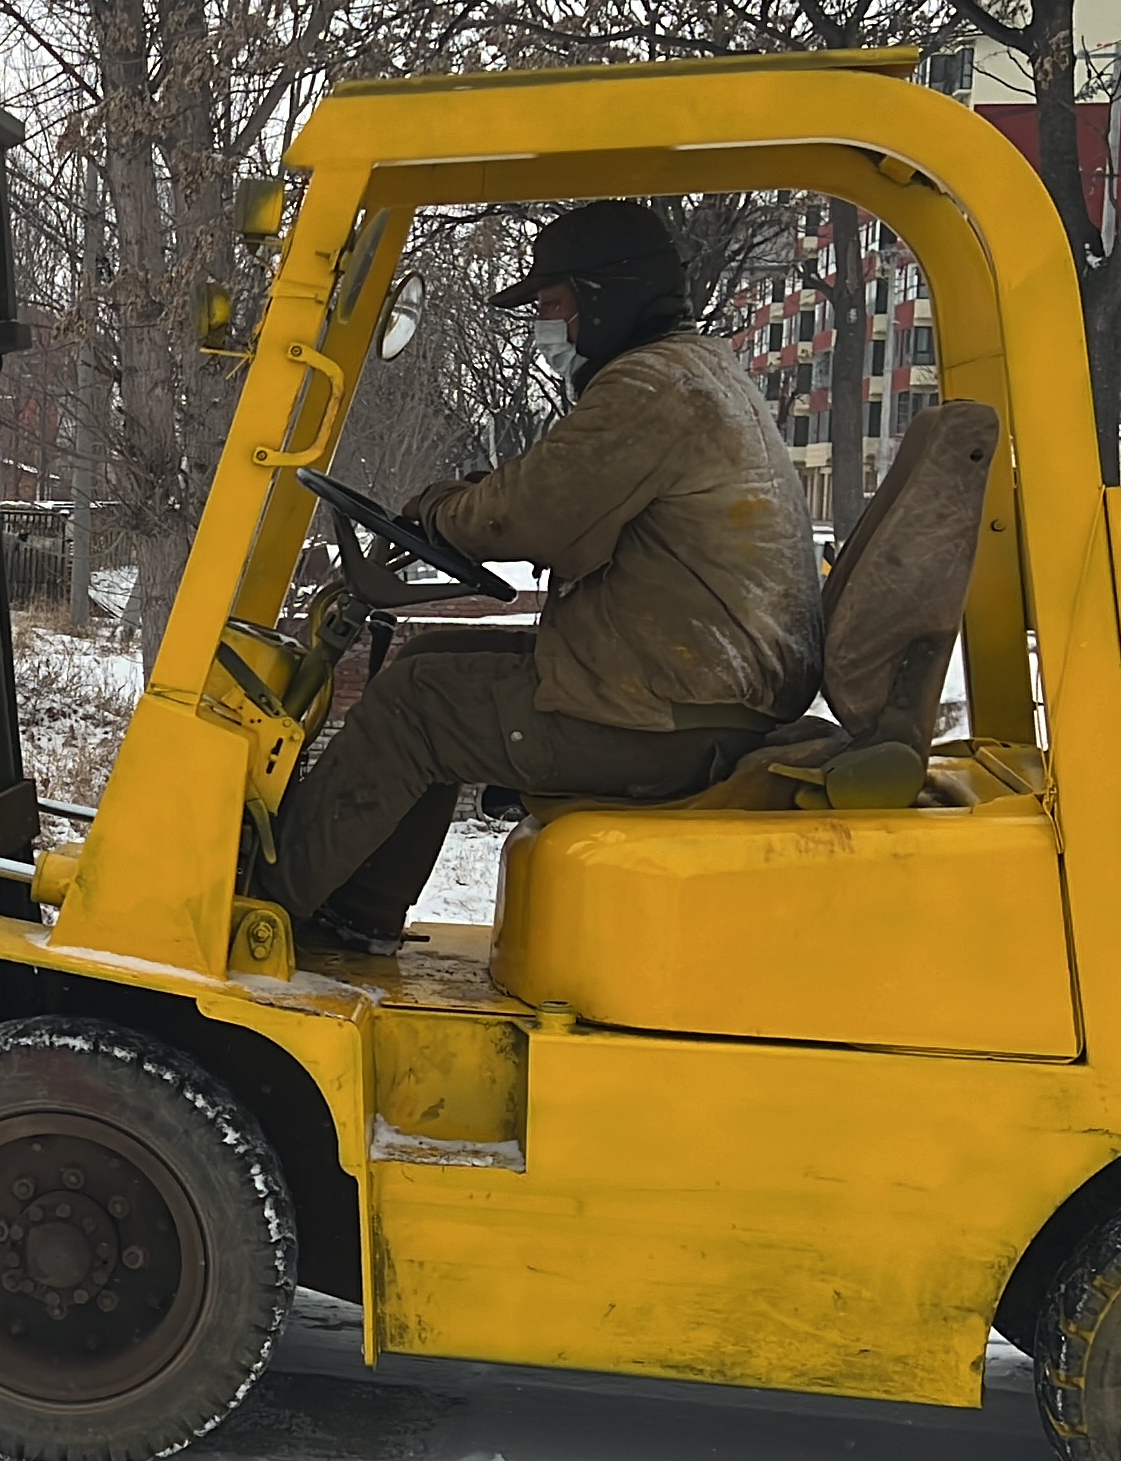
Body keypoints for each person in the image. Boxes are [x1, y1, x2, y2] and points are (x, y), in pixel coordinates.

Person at [268, 199, 822, 954]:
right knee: (430, 667)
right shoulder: (695, 375)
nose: (545, 327)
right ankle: (357, 911)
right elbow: (557, 497)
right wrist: (471, 502)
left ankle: (264, 914)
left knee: (416, 705)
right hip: (686, 690)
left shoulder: (653, 388)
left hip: (674, 716)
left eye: (554, 305)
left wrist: (438, 507)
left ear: (607, 296)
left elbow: (523, 517)